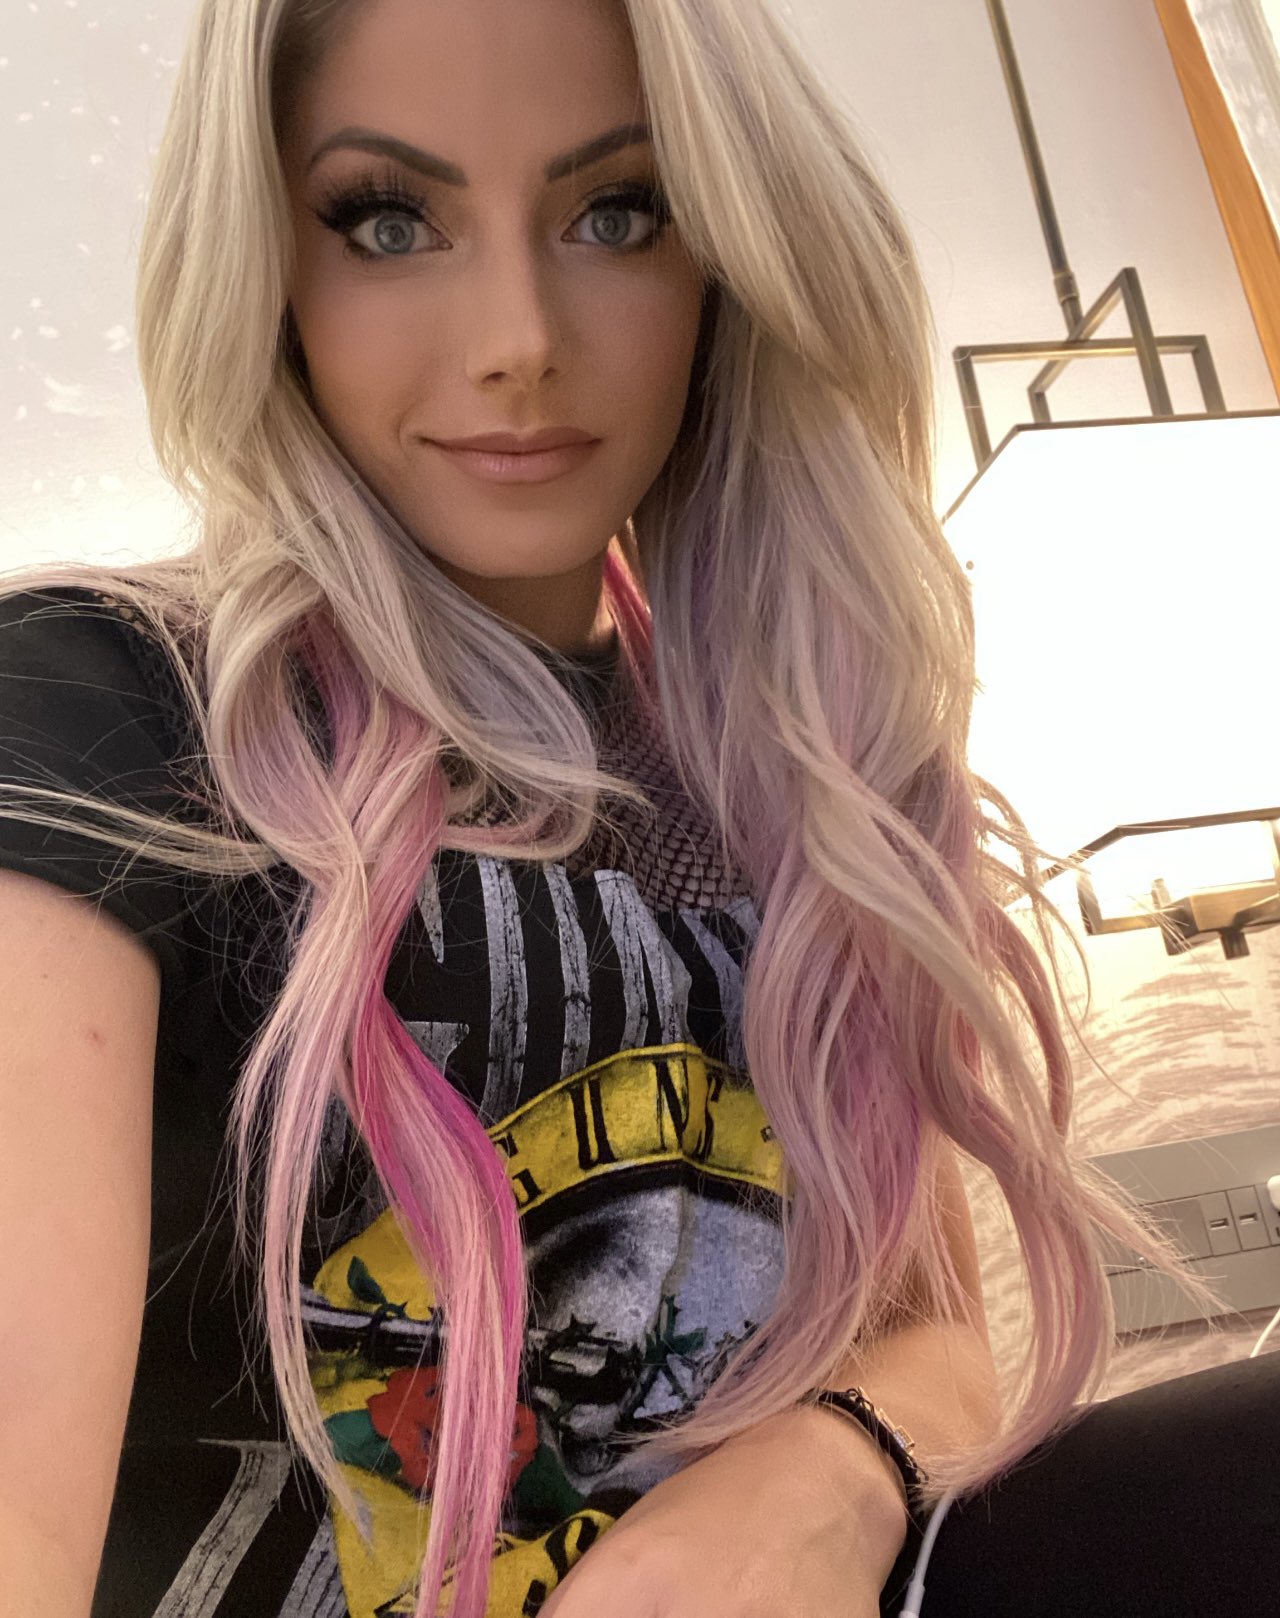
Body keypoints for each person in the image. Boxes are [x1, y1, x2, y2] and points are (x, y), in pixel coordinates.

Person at [1, 2, 1270, 1617]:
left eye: (617, 212)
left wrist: (824, 1476)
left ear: (727, 257)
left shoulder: (804, 770)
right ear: (269, 273)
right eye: (387, 221)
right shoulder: (102, 708)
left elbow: (935, 1335)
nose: (519, 337)